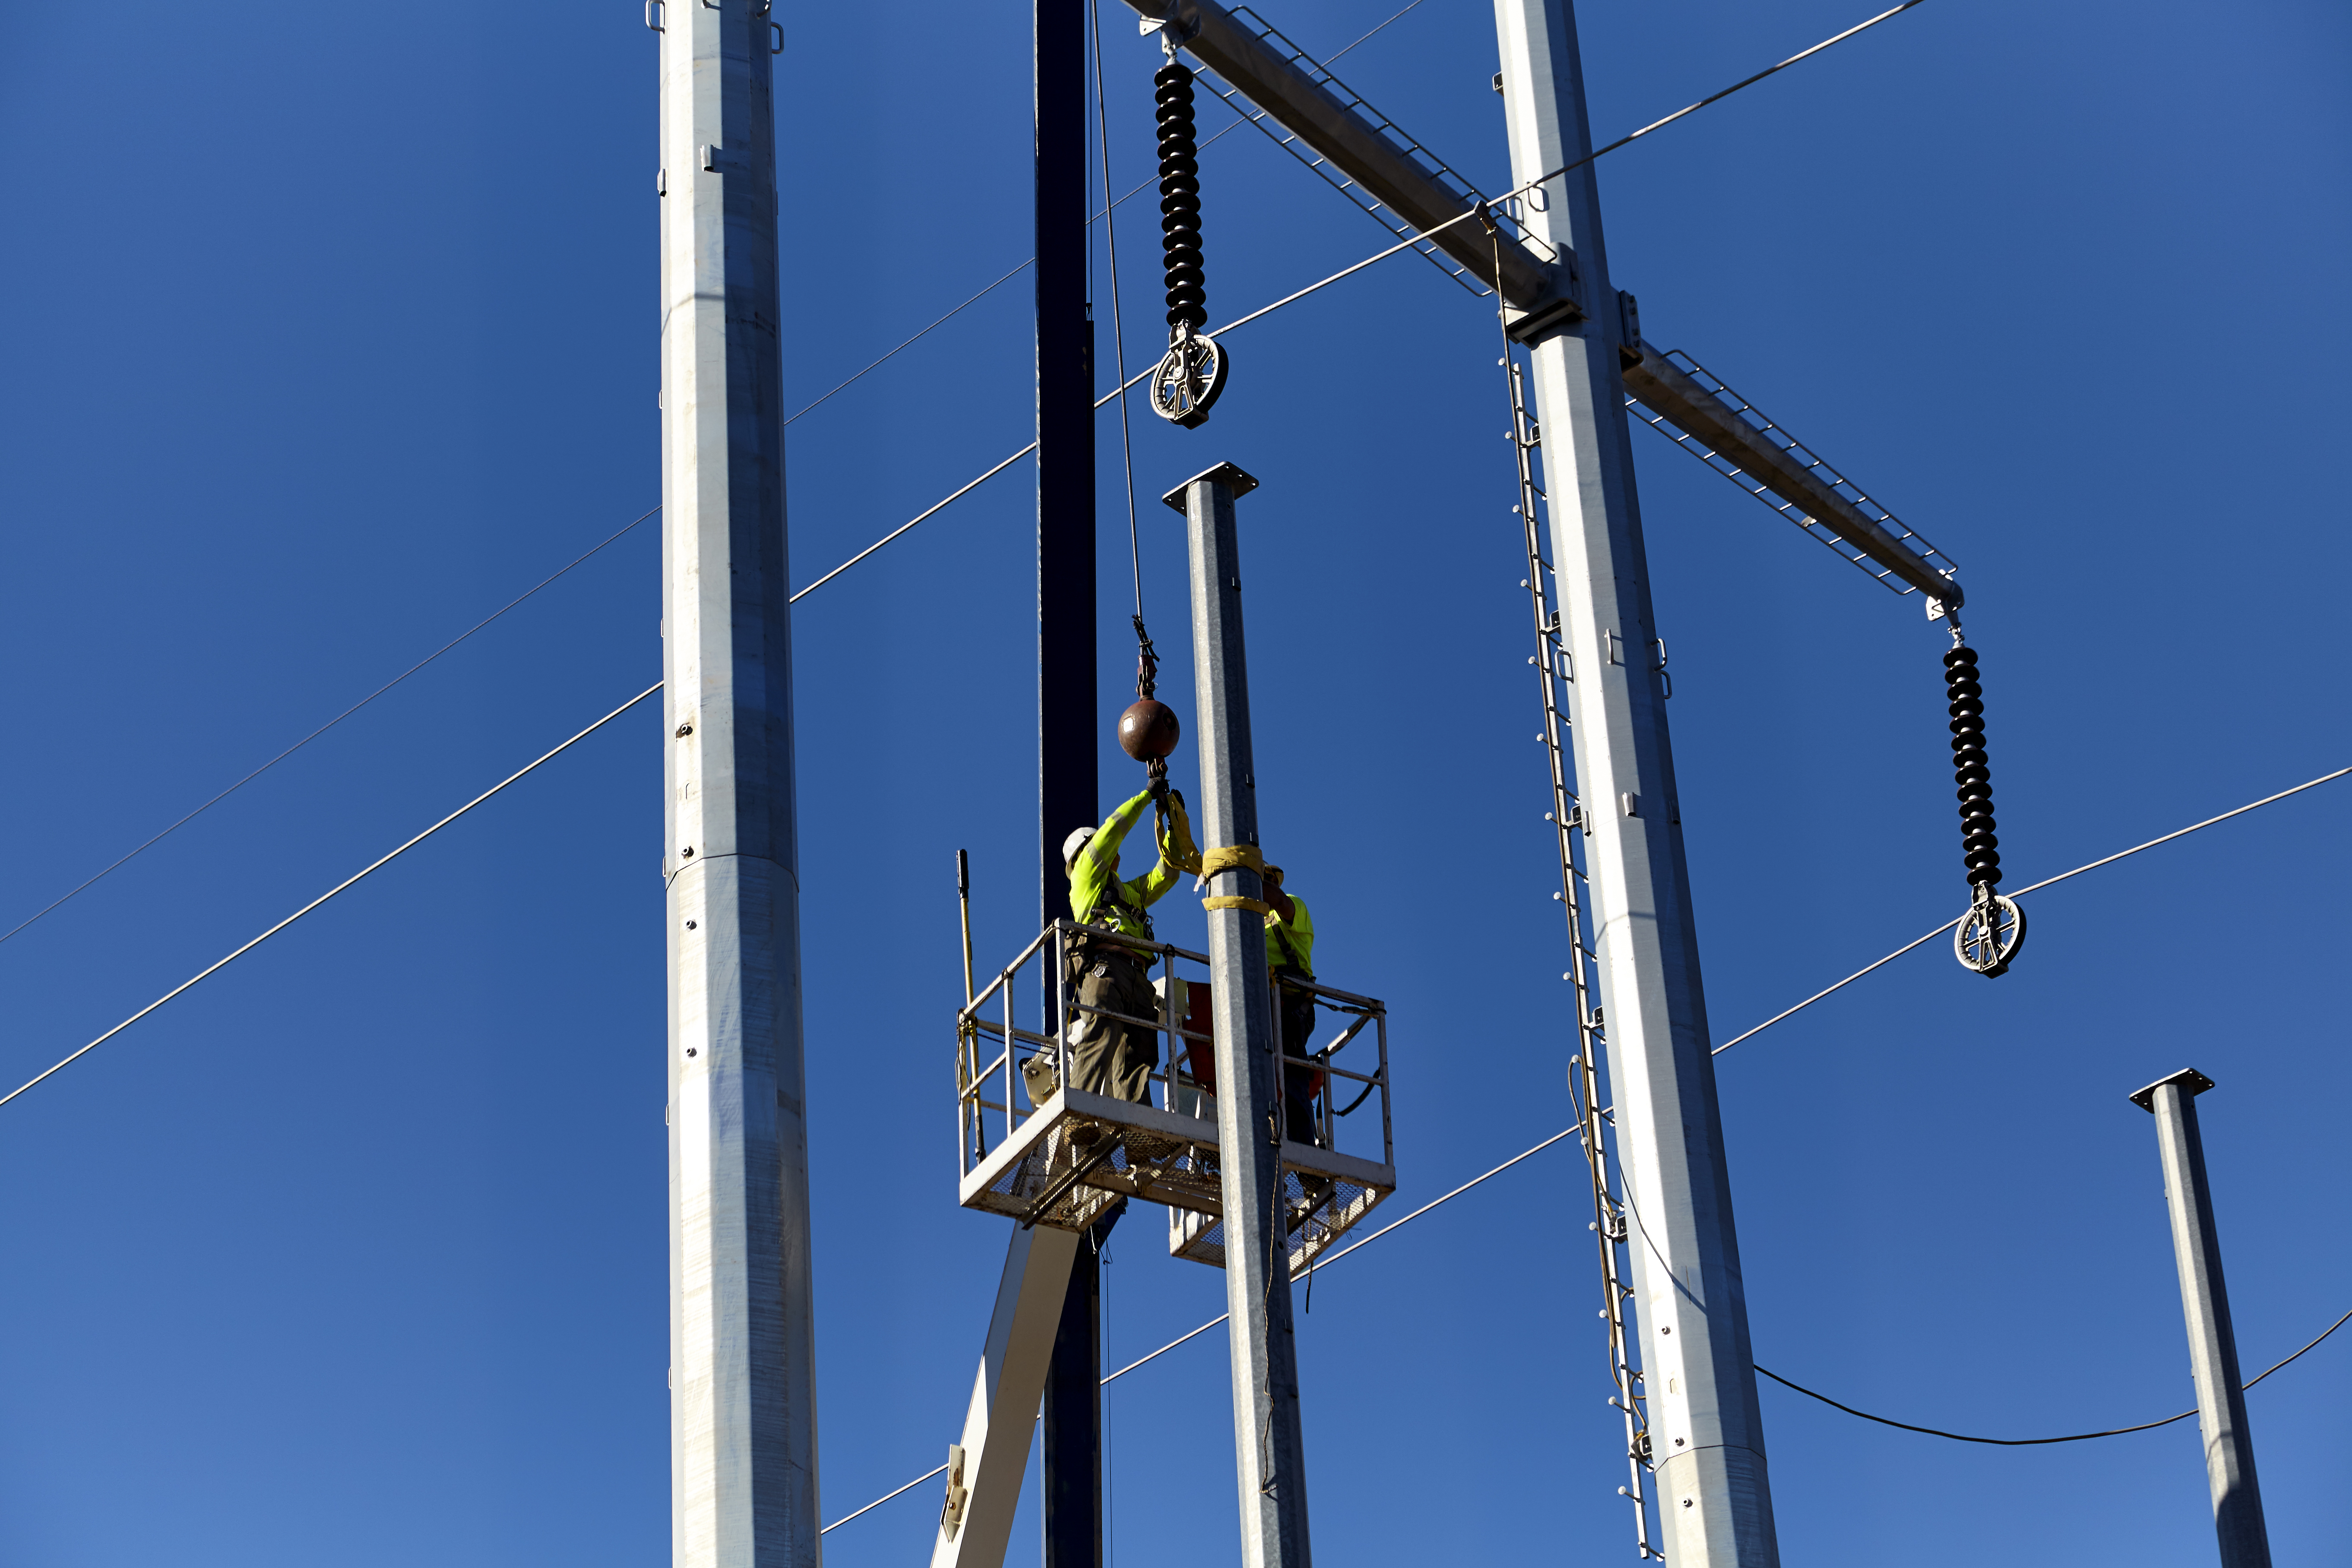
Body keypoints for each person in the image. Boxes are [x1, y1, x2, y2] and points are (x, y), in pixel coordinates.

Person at [1061, 781, 1192, 1106]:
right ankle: (1078, 1116)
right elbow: (1114, 829)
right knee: (1101, 1034)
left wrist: (1171, 823)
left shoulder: (1124, 894)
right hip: (1106, 971)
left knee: (1138, 1057)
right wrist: (1147, 796)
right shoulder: (1085, 874)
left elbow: (1168, 874)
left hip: (1136, 977)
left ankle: (1139, 1144)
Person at [1262, 863, 1323, 1147]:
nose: (1265, 884)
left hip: (1290, 1008)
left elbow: (1277, 900)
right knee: (1258, 1075)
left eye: (1268, 880)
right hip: (1260, 1006)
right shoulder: (1243, 924)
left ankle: (1304, 1154)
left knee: (1290, 1077)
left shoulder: (1288, 909)